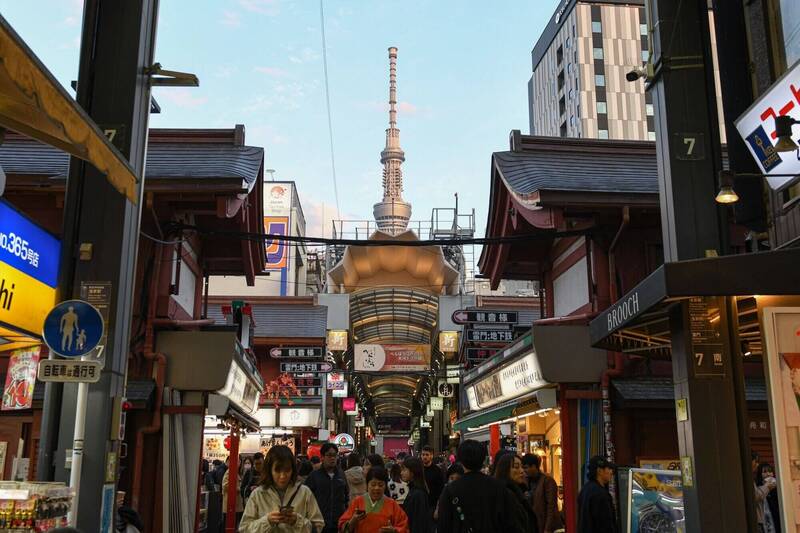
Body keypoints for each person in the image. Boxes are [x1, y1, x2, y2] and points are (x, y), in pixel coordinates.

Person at [437, 439, 522, 533]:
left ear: (461, 460)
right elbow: (510, 523)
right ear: (482, 459)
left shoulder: (450, 490)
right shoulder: (499, 487)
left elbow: (444, 525)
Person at [239, 445, 324, 533]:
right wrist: (267, 521)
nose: (283, 476)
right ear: (270, 470)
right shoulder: (258, 494)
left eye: (287, 470)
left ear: (293, 470)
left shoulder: (305, 493)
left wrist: (297, 521)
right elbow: (244, 529)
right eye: (277, 470)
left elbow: (318, 527)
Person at [339, 466, 409, 533]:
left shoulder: (392, 504)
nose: (376, 488)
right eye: (373, 484)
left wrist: (394, 530)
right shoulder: (357, 502)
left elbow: (404, 526)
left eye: (380, 485)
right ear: (367, 485)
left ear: (385, 486)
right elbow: (342, 527)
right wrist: (353, 521)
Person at [305, 442, 349, 533]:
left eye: (334, 455)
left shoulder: (341, 475)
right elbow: (306, 499)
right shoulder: (314, 476)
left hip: (338, 523)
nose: (332, 458)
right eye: (329, 455)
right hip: (320, 524)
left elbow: (346, 496)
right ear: (322, 457)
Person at [495, 454, 538, 533]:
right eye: (516, 467)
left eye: (521, 467)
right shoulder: (506, 494)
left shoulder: (517, 491)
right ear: (505, 470)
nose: (522, 471)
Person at [577, 456, 618, 533]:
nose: (611, 472)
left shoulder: (585, 489)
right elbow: (606, 525)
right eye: (608, 469)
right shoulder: (601, 494)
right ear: (599, 471)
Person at [522, 454, 562, 533]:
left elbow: (551, 506)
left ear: (534, 466)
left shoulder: (547, 480)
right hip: (533, 525)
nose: (524, 470)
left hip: (546, 525)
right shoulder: (525, 481)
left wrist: (547, 529)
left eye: (526, 467)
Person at [401, 457, 433, 533]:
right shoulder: (415, 491)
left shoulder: (418, 494)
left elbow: (418, 523)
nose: (401, 473)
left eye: (404, 470)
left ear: (413, 472)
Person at [755, 462, 779, 533]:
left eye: (770, 471)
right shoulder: (758, 488)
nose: (768, 474)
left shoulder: (778, 489)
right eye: (764, 472)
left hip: (777, 521)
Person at [420, 445, 445, 513]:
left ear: (432, 456)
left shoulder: (437, 471)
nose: (424, 457)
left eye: (427, 455)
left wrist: (437, 508)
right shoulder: (418, 469)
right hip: (420, 504)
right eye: (423, 454)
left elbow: (441, 490)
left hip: (432, 505)